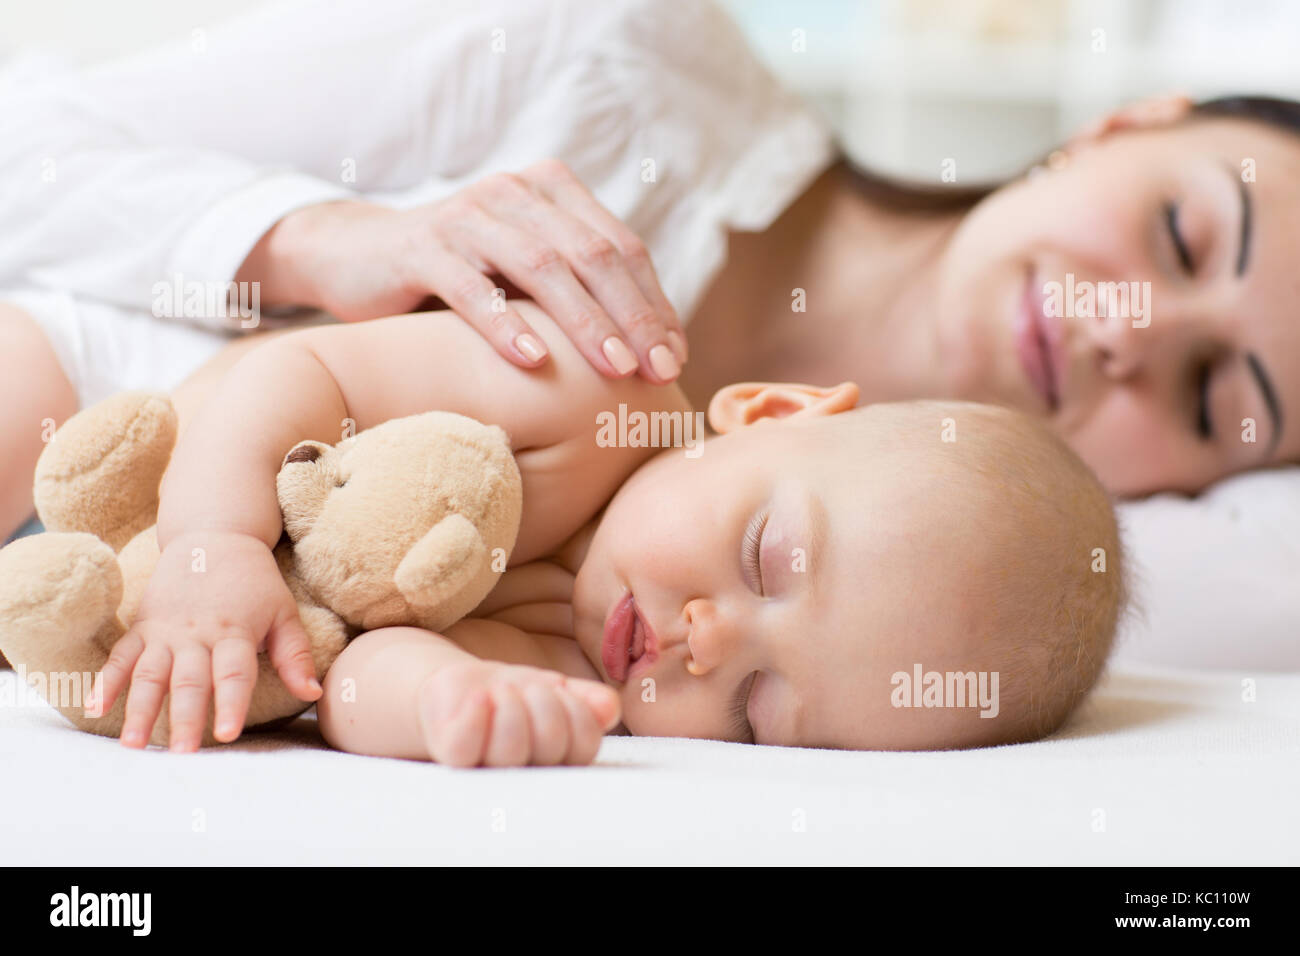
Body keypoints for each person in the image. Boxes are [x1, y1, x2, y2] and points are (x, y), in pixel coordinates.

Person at [2, 1, 1296, 512]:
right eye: (1182, 235)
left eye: (1211, 400)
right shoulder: (604, 50)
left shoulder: (884, 643)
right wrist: (315, 237)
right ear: (1122, 123)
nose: (1134, 330)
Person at [79, 301, 1125, 764]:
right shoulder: (593, 395)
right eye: (766, 558)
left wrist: (451, 702)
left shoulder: (584, 675)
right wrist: (211, 545)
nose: (705, 644)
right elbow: (303, 374)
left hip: (84, 595)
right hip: (120, 409)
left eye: (755, 708)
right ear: (766, 413)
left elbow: (343, 680)